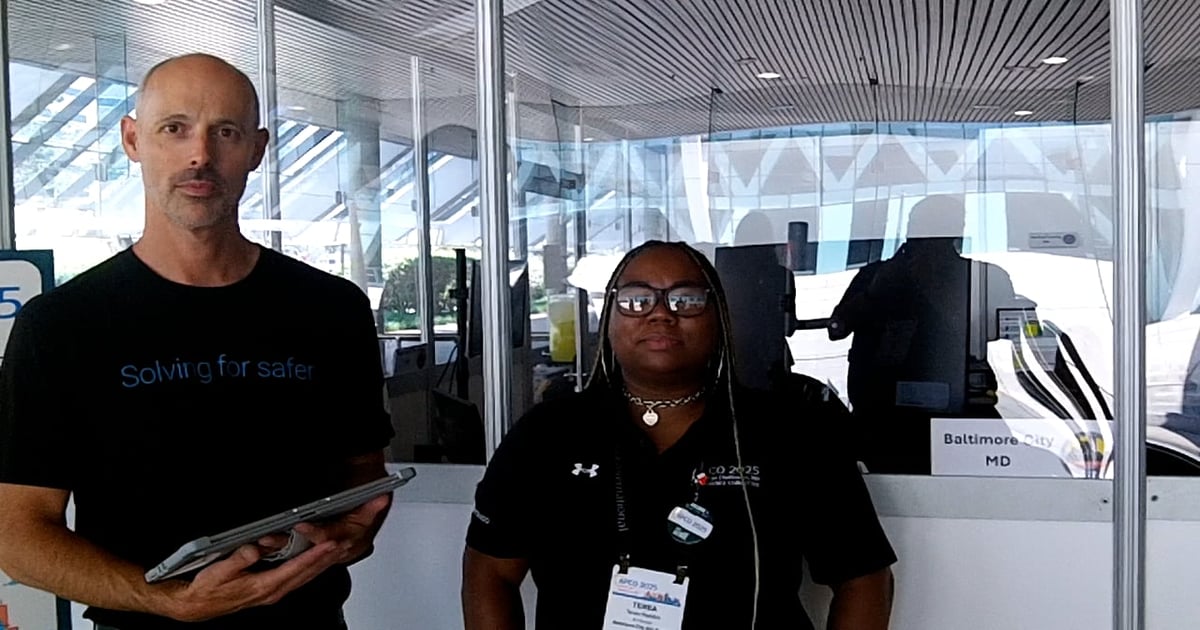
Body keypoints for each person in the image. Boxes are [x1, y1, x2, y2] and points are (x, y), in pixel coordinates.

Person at [0, 53, 395, 629]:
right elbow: (17, 534)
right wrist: (166, 600)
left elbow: (363, 468)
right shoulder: (62, 325)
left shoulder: (331, 309)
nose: (200, 156)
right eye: (174, 128)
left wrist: (353, 528)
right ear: (132, 140)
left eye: (225, 132)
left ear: (257, 149)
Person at [462, 240, 896, 630]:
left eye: (686, 300)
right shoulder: (547, 434)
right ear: (609, 317)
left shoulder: (792, 432)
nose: (661, 314)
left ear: (718, 318)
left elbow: (865, 579)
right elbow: (489, 572)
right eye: (636, 300)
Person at [829, 194, 1029, 473]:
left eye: (931, 227)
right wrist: (878, 289)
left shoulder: (982, 277)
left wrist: (932, 287)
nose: (922, 237)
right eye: (919, 227)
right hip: (882, 416)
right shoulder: (879, 275)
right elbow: (837, 328)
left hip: (961, 413)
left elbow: (1000, 333)